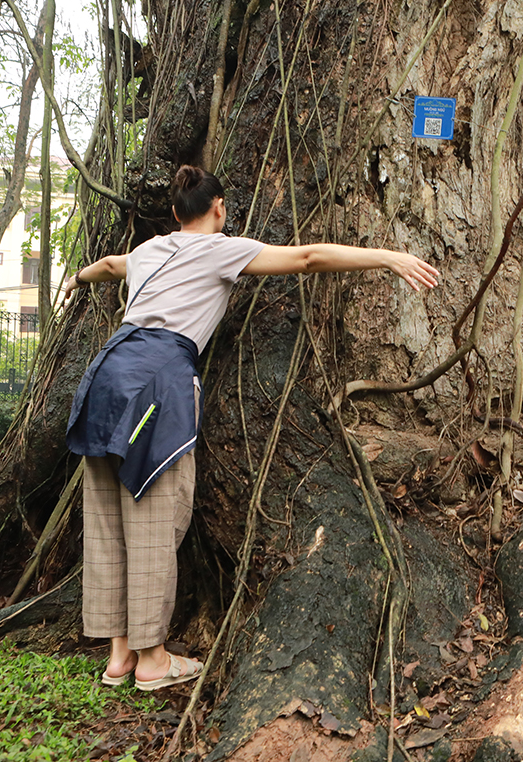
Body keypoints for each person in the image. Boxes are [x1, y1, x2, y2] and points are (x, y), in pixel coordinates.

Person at [63, 165, 438, 691]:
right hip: (157, 381)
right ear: (218, 207)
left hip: (107, 373)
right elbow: (308, 257)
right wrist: (388, 256)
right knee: (151, 510)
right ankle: (151, 661)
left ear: (174, 213)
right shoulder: (221, 249)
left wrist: (75, 279)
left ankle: (117, 654)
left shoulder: (149, 250)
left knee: (106, 512)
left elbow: (105, 265)